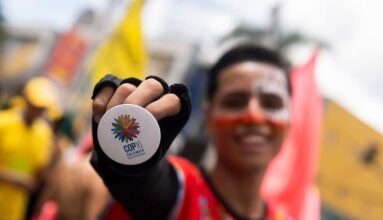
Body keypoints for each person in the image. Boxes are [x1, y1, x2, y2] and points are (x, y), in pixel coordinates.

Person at [91, 43, 292, 219]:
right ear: (208, 117)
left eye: (271, 104)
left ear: (291, 120)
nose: (254, 117)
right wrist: (129, 162)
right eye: (234, 102)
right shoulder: (178, 191)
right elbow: (145, 188)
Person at [0, 76, 58, 220]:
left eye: (42, 109)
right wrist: (12, 178)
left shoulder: (45, 134)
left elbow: (39, 172)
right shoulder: (3, 123)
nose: (37, 111)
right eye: (35, 106)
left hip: (14, 211)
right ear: (25, 99)